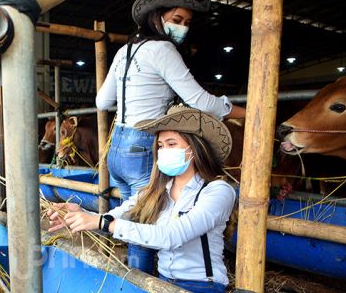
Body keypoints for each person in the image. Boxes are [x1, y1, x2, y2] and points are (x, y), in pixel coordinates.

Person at [47, 107, 236, 293]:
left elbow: (171, 236)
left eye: (171, 144)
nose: (163, 151)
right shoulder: (156, 191)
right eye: (160, 146)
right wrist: (78, 215)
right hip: (162, 282)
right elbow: (113, 217)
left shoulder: (217, 191)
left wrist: (102, 222)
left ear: (194, 148)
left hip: (203, 286)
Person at [96, 0, 245, 201]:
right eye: (177, 19)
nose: (182, 27)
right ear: (156, 16)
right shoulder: (163, 49)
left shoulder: (125, 51)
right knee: (148, 221)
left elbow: (102, 102)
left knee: (127, 218)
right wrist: (243, 112)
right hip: (143, 145)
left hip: (116, 151)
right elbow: (200, 101)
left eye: (187, 22)